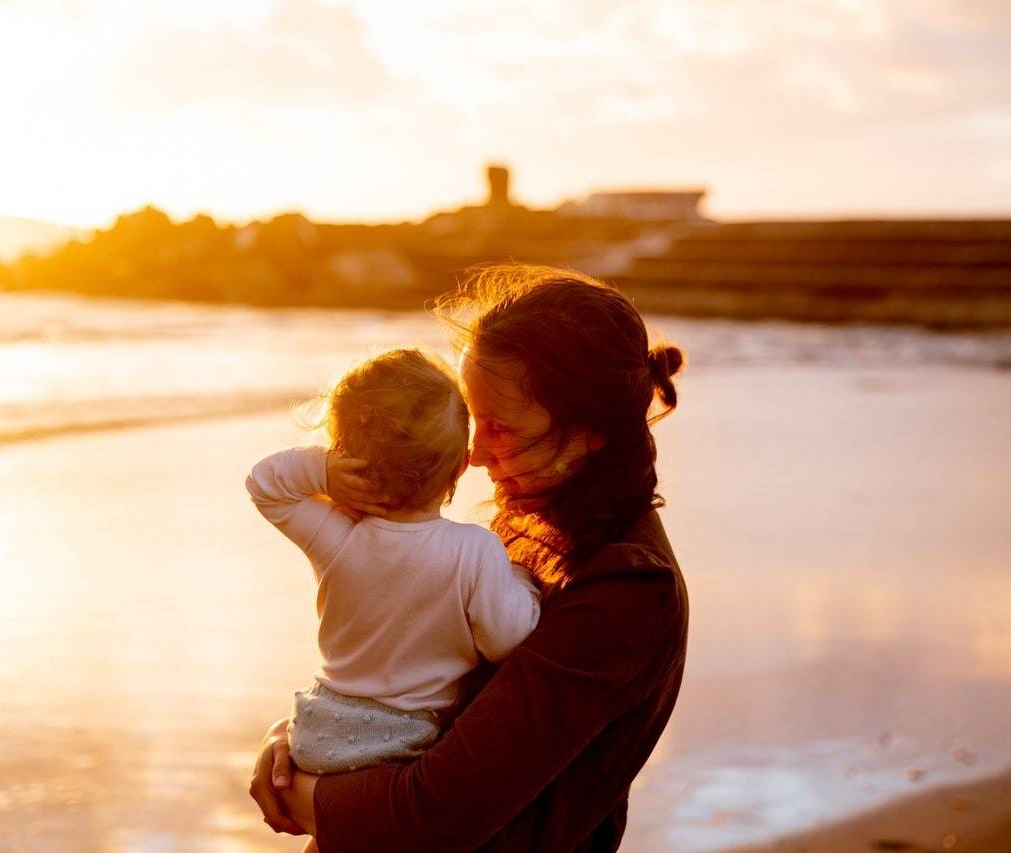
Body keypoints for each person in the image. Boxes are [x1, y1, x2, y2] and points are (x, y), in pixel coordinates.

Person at [249, 264, 689, 852]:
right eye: (472, 420)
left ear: (591, 431)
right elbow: (427, 688)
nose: (475, 454)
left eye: (501, 429)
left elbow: (434, 816)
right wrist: (303, 737)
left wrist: (304, 793)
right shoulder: (534, 527)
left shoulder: (627, 588)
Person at [245, 348, 541, 783]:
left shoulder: (336, 536)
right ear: (460, 465)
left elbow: (265, 485)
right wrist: (522, 580)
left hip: (318, 729)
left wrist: (322, 473)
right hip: (404, 739)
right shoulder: (476, 551)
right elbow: (506, 639)